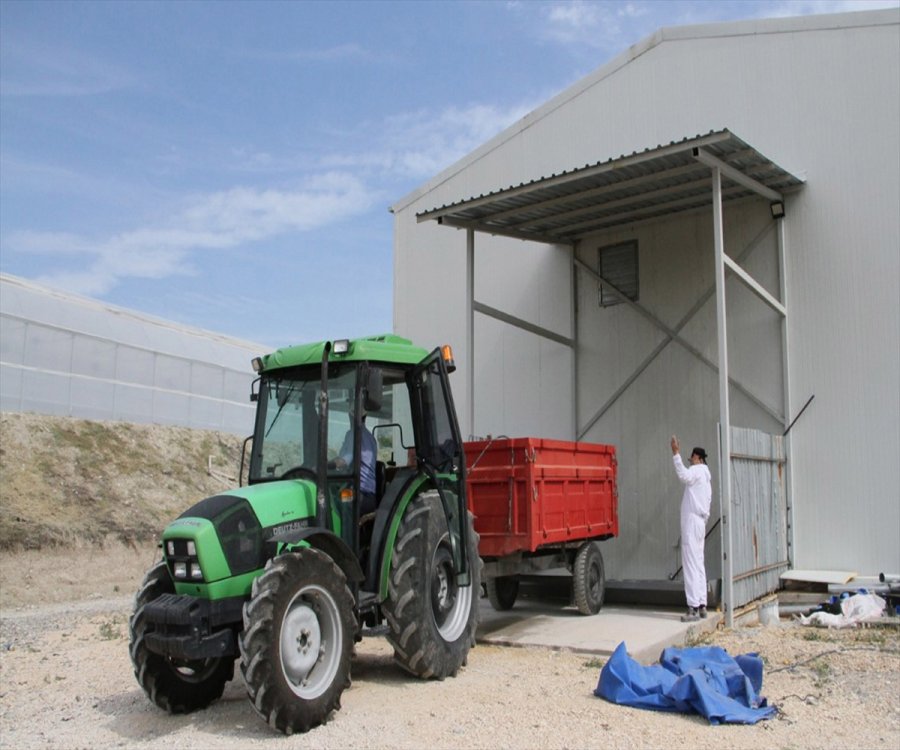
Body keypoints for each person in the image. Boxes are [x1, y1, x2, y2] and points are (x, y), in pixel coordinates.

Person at [670, 436, 712, 622]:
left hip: (692, 522)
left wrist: (676, 454)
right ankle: (702, 604)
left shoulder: (697, 471)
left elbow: (683, 476)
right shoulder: (706, 478)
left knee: (690, 564)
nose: (691, 460)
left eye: (692, 457)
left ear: (698, 458)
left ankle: (693, 607)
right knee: (699, 563)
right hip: (701, 523)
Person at [334, 405, 378, 515]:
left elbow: (343, 461)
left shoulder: (353, 434)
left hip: (358, 493)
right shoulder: (371, 438)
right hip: (370, 496)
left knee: (335, 500)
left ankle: (343, 532)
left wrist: (323, 465)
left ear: (351, 417)